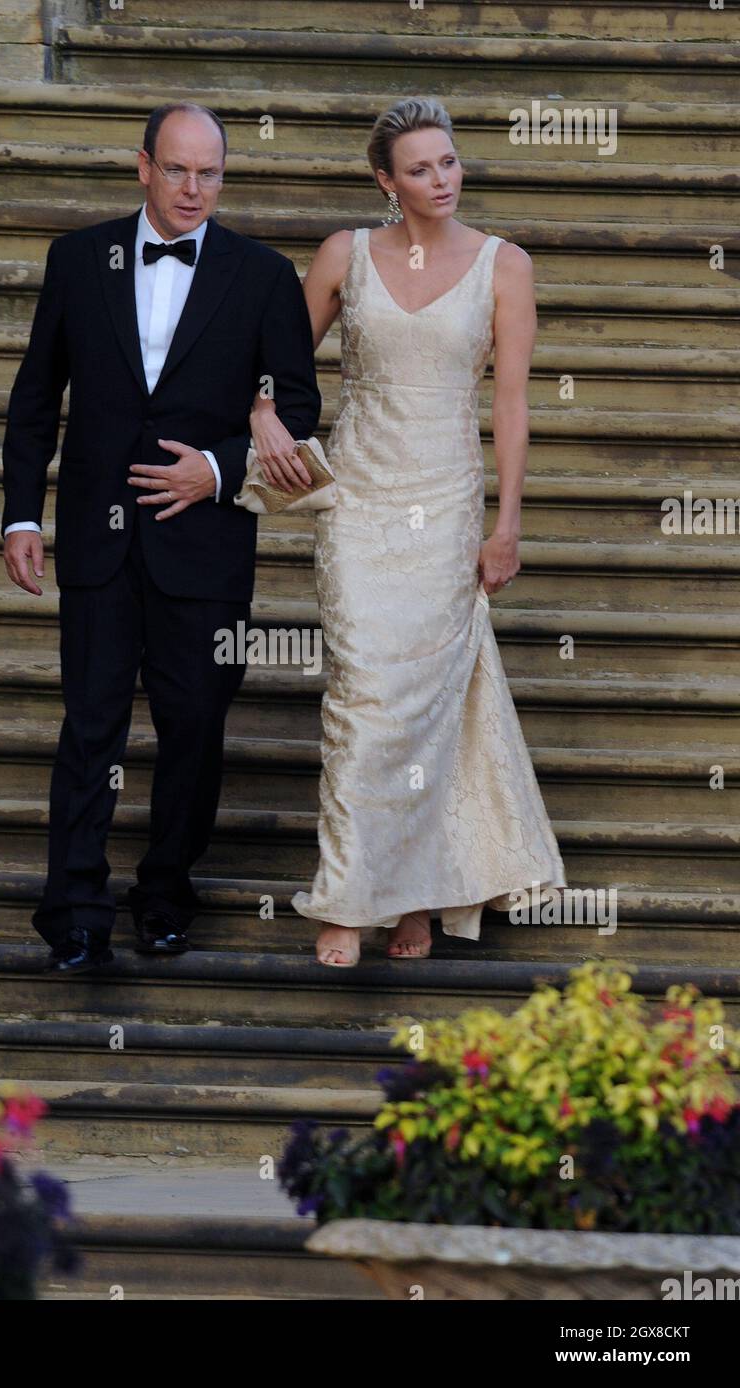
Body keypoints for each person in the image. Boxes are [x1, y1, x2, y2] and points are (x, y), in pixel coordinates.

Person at [1, 102, 321, 972]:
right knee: (91, 726)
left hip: (207, 543)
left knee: (195, 727)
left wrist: (215, 469)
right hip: (98, 545)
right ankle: (72, 909)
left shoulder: (263, 275)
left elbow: (297, 405)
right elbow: (36, 402)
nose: (193, 189)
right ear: (142, 166)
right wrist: (22, 515)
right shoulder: (77, 259)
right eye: (177, 170)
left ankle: (165, 892)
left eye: (210, 173)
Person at [250, 97, 566, 967]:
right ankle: (349, 897)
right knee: (363, 696)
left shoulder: (506, 265)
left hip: (447, 496)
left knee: (424, 706)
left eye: (450, 162)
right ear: (386, 182)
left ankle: (417, 897)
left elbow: (510, 401)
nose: (441, 179)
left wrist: (507, 525)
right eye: (420, 168)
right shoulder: (342, 254)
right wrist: (264, 413)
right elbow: (274, 356)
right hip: (358, 498)